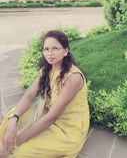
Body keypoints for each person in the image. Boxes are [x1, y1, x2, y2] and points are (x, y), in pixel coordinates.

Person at [0, 30, 89, 158]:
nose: (50, 53)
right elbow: (29, 95)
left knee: (21, 152)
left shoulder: (73, 78)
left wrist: (16, 142)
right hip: (48, 114)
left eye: (55, 48)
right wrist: (14, 120)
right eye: (46, 49)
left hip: (68, 128)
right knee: (11, 116)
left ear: (65, 51)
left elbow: (52, 117)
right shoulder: (47, 69)